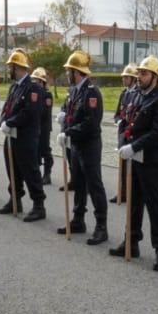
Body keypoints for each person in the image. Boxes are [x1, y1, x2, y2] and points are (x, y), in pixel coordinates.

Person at [111, 55, 158, 272]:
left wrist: (134, 146)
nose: (139, 76)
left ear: (155, 77)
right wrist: (122, 144)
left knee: (155, 205)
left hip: (151, 160)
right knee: (134, 202)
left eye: (144, 73)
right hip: (133, 158)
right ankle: (131, 241)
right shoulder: (134, 96)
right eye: (139, 72)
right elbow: (125, 123)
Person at [57, 50, 109, 244]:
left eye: (69, 71)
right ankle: (78, 219)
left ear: (76, 72)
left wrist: (69, 132)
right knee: (78, 183)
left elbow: (91, 122)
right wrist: (62, 116)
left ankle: (101, 226)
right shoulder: (73, 90)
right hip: (76, 144)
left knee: (94, 185)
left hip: (89, 144)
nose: (67, 74)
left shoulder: (91, 91)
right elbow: (67, 108)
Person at [0, 48, 46, 222]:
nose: (9, 70)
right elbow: (7, 107)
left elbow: (30, 113)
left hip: (25, 137)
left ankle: (39, 205)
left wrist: (10, 122)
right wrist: (3, 121)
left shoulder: (33, 88)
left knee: (30, 171)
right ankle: (15, 200)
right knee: (13, 170)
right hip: (11, 135)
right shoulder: (14, 87)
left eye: (11, 67)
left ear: (18, 68)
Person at [111, 64, 139, 204]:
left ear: (133, 79)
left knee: (133, 166)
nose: (123, 79)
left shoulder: (138, 94)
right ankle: (122, 192)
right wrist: (118, 120)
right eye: (123, 77)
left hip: (132, 133)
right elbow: (117, 113)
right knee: (122, 165)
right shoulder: (124, 93)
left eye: (126, 77)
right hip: (122, 133)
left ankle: (132, 193)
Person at [31, 67, 54, 185]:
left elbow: (45, 111)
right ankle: (37, 173)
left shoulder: (47, 95)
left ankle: (47, 173)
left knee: (45, 149)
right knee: (36, 150)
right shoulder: (34, 93)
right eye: (33, 80)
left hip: (44, 126)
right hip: (35, 126)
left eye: (37, 80)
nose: (34, 82)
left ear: (42, 82)